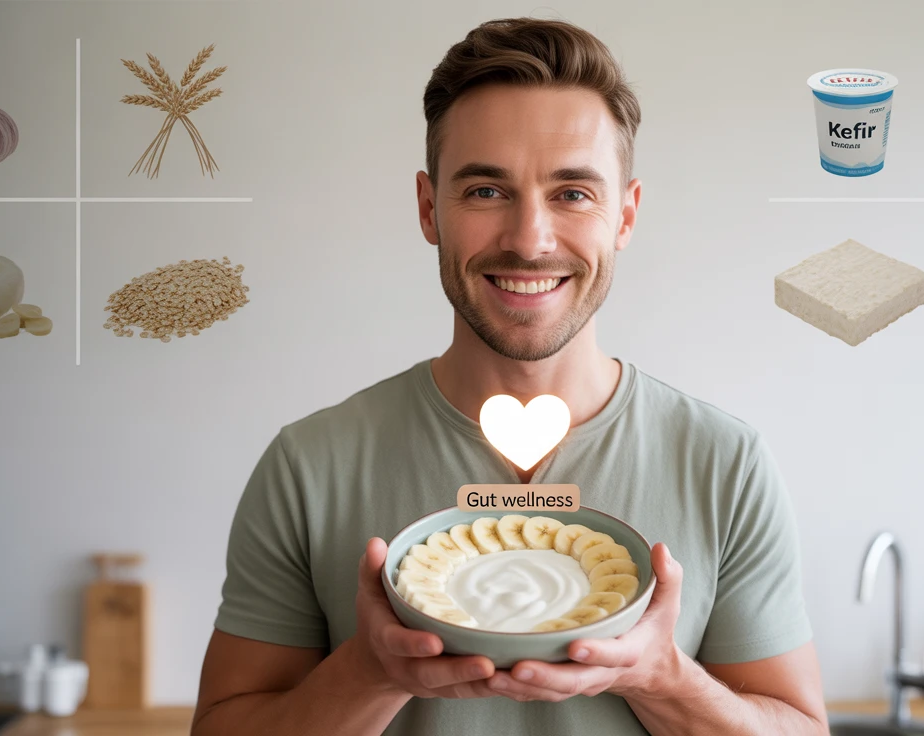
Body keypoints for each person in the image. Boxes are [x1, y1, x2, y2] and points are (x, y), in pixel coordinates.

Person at [191, 17, 827, 736]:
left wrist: (660, 676)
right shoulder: (308, 468)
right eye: (486, 192)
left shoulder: (725, 465)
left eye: (574, 193)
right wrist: (369, 671)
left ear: (626, 214)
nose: (529, 240)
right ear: (430, 209)